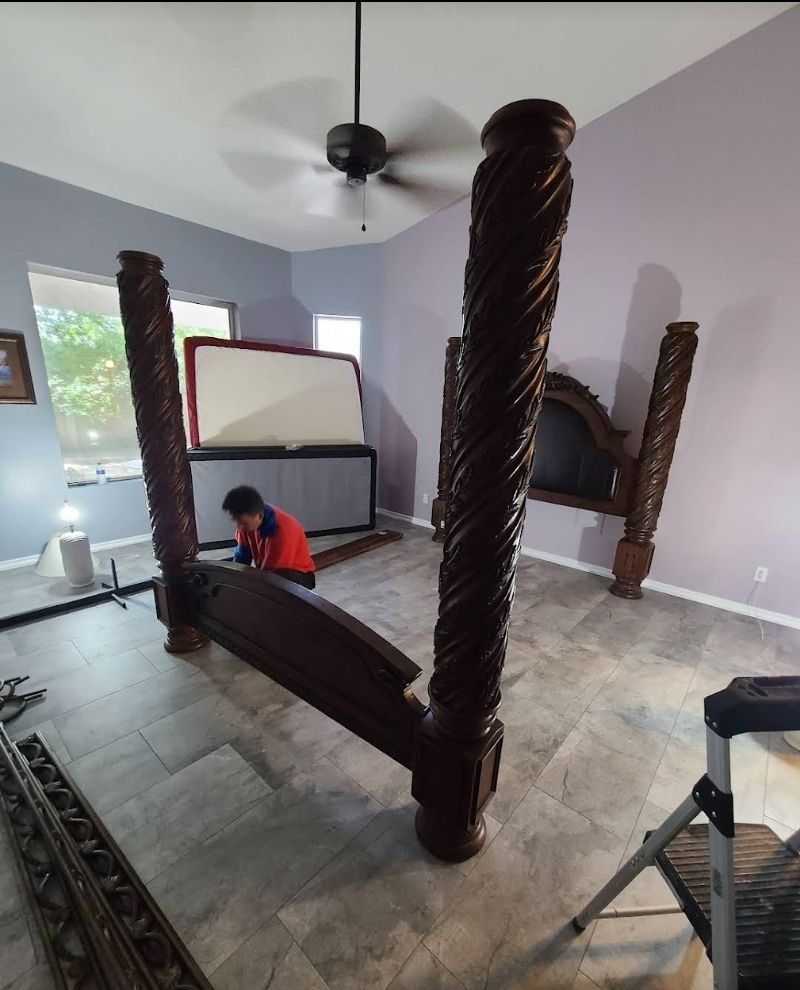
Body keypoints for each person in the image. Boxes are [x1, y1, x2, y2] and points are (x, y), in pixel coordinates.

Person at [222, 485, 316, 590]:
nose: (240, 528)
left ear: (259, 516)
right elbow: (242, 557)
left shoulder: (283, 530)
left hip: (297, 575)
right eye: (237, 522)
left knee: (271, 588)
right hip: (270, 571)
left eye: (244, 523)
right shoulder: (246, 523)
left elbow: (270, 576)